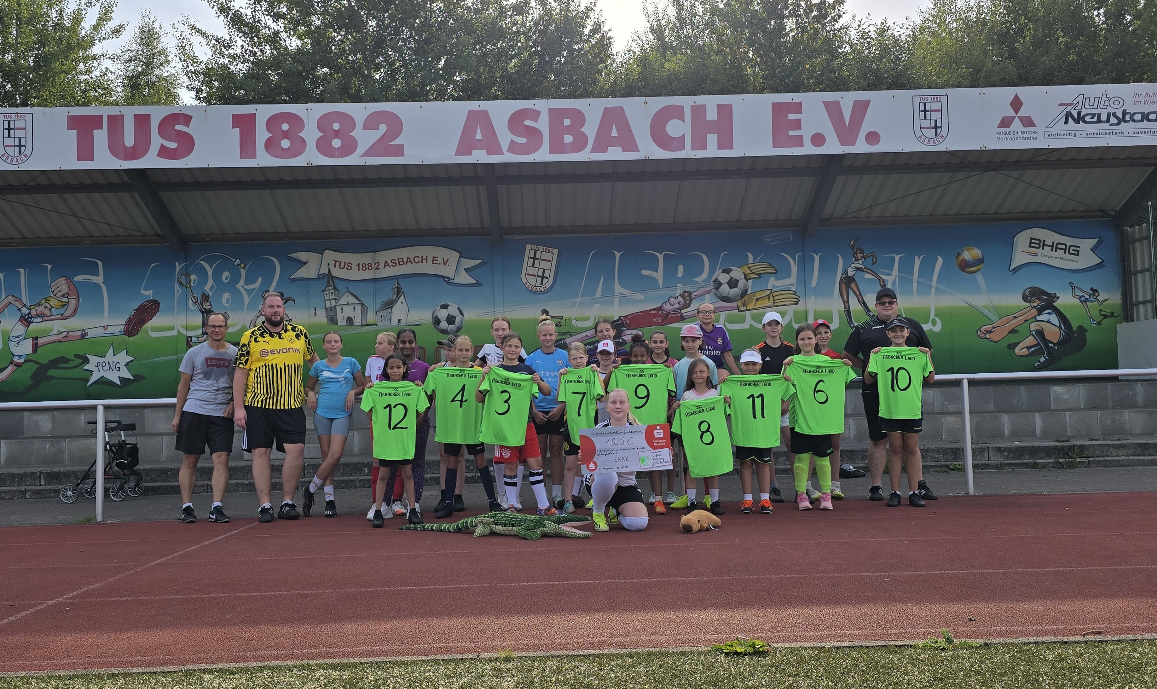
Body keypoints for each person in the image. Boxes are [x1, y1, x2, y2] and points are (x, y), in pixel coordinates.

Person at [232, 292, 319, 523]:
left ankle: (287, 502)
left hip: (291, 404)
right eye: (270, 307)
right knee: (260, 452)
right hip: (258, 405)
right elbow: (240, 374)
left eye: (278, 306)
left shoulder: (299, 333)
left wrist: (314, 389)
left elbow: (315, 363)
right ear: (263, 310)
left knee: (296, 450)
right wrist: (239, 408)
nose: (275, 310)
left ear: (284, 310)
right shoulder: (250, 336)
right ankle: (265, 505)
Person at [842, 287, 933, 502]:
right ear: (876, 306)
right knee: (878, 439)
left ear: (897, 304)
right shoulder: (863, 328)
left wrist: (921, 362)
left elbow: (927, 354)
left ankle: (918, 486)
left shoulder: (912, 325)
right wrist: (871, 366)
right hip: (875, 392)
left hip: (907, 396)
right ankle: (877, 486)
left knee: (910, 444)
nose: (887, 306)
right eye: (882, 303)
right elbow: (848, 355)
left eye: (890, 302)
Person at [0, 276, 159, 384]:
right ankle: (124, 329)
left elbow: (66, 315)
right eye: (47, 307)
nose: (48, 312)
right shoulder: (26, 312)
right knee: (62, 336)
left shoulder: (36, 317)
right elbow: (10, 298)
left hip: (18, 347)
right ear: (41, 304)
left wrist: (73, 297)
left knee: (11, 369)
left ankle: (123, 329)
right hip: (17, 344)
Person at [476, 332, 557, 515]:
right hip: (505, 426)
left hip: (526, 424)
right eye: (509, 346)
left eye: (516, 346)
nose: (513, 349)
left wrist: (538, 381)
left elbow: (547, 391)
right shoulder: (494, 370)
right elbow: (479, 398)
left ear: (521, 349)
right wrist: (483, 377)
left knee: (536, 462)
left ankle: (543, 505)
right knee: (511, 464)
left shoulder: (527, 370)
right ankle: (511, 504)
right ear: (502, 348)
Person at [426, 334, 502, 517]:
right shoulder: (439, 373)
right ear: (454, 351)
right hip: (451, 426)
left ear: (472, 351)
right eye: (460, 350)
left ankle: (493, 502)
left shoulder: (480, 372)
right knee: (451, 462)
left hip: (473, 425)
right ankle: (449, 503)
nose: (463, 353)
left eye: (467, 350)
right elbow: (427, 391)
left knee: (480, 462)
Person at [172, 312, 237, 524]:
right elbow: (183, 385)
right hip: (194, 412)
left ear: (226, 328)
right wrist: (177, 415)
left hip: (222, 415)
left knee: (222, 459)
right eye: (213, 326)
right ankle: (187, 507)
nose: (217, 329)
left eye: (220, 326)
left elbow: (243, 383)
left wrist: (234, 403)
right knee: (190, 460)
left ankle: (216, 507)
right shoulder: (193, 353)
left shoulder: (236, 354)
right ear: (206, 328)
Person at [783, 324, 856, 511]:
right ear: (797, 342)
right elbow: (783, 387)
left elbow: (847, 377)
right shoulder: (792, 363)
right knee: (801, 458)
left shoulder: (829, 362)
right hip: (800, 418)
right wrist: (785, 371)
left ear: (816, 340)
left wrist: (845, 365)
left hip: (823, 419)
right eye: (802, 339)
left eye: (809, 338)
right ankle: (801, 495)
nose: (806, 342)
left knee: (823, 458)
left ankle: (826, 495)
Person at [865, 318, 937, 507]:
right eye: (894, 331)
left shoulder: (918, 353)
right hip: (891, 409)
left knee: (911, 448)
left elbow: (930, 378)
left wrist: (927, 356)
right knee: (895, 449)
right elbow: (869, 379)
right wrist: (872, 356)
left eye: (901, 330)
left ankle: (914, 491)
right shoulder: (880, 354)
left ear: (908, 333)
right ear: (887, 334)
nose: (898, 334)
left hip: (911, 408)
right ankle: (895, 492)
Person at [608, 336, 676, 514]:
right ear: (630, 357)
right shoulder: (620, 371)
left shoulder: (662, 370)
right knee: (623, 463)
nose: (639, 359)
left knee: (654, 463)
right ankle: (619, 500)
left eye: (642, 356)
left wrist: (667, 371)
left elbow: (672, 390)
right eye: (635, 356)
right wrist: (615, 371)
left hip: (654, 424)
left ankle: (658, 499)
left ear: (648, 356)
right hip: (629, 423)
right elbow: (610, 392)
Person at [302, 332, 365, 518]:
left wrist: (353, 392)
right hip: (322, 412)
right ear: (323, 346)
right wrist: (311, 394)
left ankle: (310, 489)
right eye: (328, 342)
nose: (332, 344)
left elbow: (362, 385)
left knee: (335, 455)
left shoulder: (351, 363)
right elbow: (308, 387)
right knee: (326, 456)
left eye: (336, 341)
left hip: (342, 413)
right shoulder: (318, 366)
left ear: (341, 345)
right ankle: (330, 500)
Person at [362, 354, 429, 527]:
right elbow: (369, 414)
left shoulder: (413, 389)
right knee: (383, 474)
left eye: (398, 367)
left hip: (403, 439)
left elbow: (421, 412)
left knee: (408, 474)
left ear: (405, 368)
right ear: (385, 369)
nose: (395, 371)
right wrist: (369, 390)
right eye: (391, 367)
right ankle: (378, 511)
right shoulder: (376, 389)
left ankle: (412, 510)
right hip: (386, 440)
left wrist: (420, 391)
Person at [720, 349, 790, 515]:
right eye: (746, 364)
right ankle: (747, 499)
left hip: (763, 430)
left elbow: (783, 400)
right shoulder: (733, 382)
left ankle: (765, 499)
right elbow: (726, 402)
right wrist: (725, 391)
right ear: (740, 365)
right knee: (745, 464)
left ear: (760, 365)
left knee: (763, 464)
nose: (750, 367)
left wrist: (785, 381)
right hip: (744, 430)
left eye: (754, 364)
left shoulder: (772, 382)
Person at [379, 328, 432, 513]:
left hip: (419, 425)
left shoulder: (424, 368)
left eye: (411, 342)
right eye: (403, 342)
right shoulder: (390, 365)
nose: (407, 345)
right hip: (394, 428)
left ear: (416, 343)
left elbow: (428, 398)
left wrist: (418, 421)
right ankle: (385, 503)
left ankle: (414, 504)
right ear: (397, 344)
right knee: (390, 464)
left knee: (417, 463)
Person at [671, 358, 731, 515]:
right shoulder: (687, 396)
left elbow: (724, 415)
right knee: (692, 468)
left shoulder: (715, 394)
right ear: (690, 375)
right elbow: (680, 420)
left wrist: (726, 402)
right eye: (695, 372)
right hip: (693, 439)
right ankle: (691, 501)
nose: (698, 375)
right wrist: (677, 408)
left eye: (702, 371)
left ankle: (714, 501)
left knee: (712, 469)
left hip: (712, 439)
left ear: (708, 373)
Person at [588, 389, 651, 533]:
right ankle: (598, 511)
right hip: (600, 481)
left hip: (626, 484)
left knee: (639, 524)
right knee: (609, 475)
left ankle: (616, 509)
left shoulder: (638, 430)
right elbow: (591, 463)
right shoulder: (599, 430)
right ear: (607, 407)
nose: (617, 406)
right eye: (613, 402)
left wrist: (661, 457)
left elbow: (646, 467)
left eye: (622, 402)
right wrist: (586, 457)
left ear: (628, 406)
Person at [807, 319, 854, 501]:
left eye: (826, 332)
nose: (822, 336)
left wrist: (845, 366)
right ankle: (807, 486)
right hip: (811, 408)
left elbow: (842, 381)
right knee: (811, 447)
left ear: (831, 334)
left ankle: (835, 484)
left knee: (835, 445)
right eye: (818, 333)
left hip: (831, 408)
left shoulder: (836, 357)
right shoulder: (804, 357)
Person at [556, 342, 605, 513]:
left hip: (590, 426)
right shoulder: (566, 375)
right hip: (571, 426)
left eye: (581, 357)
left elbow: (602, 397)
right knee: (571, 464)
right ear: (569, 360)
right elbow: (559, 399)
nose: (578, 361)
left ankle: (596, 499)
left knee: (593, 464)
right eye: (574, 358)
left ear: (587, 358)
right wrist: (560, 378)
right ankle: (568, 500)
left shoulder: (591, 372)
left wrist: (597, 374)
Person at [525, 318, 569, 509]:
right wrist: (534, 410)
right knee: (540, 451)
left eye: (551, 334)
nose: (548, 338)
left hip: (558, 409)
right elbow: (526, 388)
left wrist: (562, 406)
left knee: (557, 450)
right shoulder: (531, 359)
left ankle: (557, 493)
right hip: (538, 411)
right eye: (544, 335)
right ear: (538, 336)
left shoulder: (565, 357)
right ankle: (541, 495)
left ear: (556, 336)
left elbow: (571, 384)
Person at [978, 286, 1074, 370]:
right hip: (1048, 333)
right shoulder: (1036, 306)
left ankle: (1048, 356)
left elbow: (1024, 318)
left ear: (1038, 297)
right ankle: (1049, 344)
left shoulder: (1045, 304)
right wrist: (992, 326)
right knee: (1019, 351)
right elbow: (1014, 316)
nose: (1032, 305)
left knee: (1034, 325)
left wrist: (1005, 329)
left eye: (1033, 301)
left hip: (1063, 335)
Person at [364, 331, 405, 520]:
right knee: (378, 461)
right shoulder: (372, 361)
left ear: (391, 346)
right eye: (376, 343)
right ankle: (377, 503)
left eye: (380, 343)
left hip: (399, 419)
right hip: (380, 419)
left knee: (400, 459)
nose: (376, 346)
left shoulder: (400, 362)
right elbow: (368, 387)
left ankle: (396, 500)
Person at [754, 312, 794, 503]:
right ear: (763, 328)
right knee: (768, 448)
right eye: (769, 324)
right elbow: (755, 380)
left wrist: (786, 402)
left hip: (787, 406)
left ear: (781, 327)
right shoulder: (757, 351)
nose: (773, 327)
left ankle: (801, 487)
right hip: (767, 407)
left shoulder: (792, 349)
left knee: (792, 446)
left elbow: (795, 379)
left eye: (776, 324)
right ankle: (773, 486)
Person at [645, 330, 679, 506]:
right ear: (649, 344)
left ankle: (670, 491)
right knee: (651, 454)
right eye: (655, 342)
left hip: (669, 415)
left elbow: (677, 388)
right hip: (650, 417)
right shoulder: (645, 364)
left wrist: (672, 412)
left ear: (666, 344)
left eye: (661, 342)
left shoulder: (674, 364)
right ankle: (654, 491)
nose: (658, 345)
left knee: (669, 454)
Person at [839, 237, 887, 328]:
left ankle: (869, 313)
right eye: (858, 253)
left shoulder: (861, 260)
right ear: (855, 255)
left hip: (850, 278)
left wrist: (873, 255)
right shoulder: (856, 264)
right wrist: (880, 278)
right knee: (846, 301)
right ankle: (850, 322)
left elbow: (867, 255)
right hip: (844, 280)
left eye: (861, 253)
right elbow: (868, 270)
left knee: (859, 296)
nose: (861, 255)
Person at [695, 303, 740, 375]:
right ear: (697, 316)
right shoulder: (693, 329)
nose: (707, 314)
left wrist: (738, 375)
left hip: (717, 368)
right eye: (703, 312)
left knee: (724, 374)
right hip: (696, 369)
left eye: (710, 312)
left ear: (714, 316)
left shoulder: (721, 330)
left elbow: (727, 355)